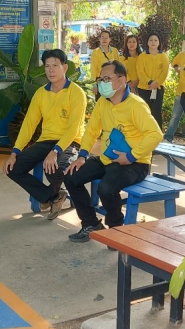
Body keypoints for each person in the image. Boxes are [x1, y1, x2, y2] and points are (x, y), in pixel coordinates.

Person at [63, 61, 162, 243]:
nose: (102, 83)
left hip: (135, 163)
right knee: (71, 176)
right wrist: (82, 155)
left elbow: (155, 134)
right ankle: (91, 223)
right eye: (100, 79)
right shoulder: (103, 102)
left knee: (106, 188)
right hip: (107, 158)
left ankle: (116, 231)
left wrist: (131, 156)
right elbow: (92, 130)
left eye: (107, 79)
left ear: (121, 80)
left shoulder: (136, 105)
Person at [3, 49, 86, 219]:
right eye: (47, 66)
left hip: (71, 141)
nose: (51, 70)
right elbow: (29, 124)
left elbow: (73, 128)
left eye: (55, 65)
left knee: (55, 167)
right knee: (13, 168)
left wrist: (55, 151)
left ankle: (52, 195)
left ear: (65, 67)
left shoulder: (76, 93)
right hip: (46, 140)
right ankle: (52, 196)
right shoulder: (41, 93)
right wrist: (14, 152)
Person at [135, 32, 170, 127]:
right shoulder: (142, 56)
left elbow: (165, 72)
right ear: (147, 42)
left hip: (158, 88)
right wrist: (150, 82)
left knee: (156, 111)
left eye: (155, 40)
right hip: (144, 88)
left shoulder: (163, 56)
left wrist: (156, 83)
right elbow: (140, 71)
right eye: (151, 40)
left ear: (159, 42)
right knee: (145, 111)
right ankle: (145, 131)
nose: (153, 42)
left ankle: (157, 132)